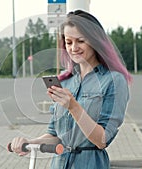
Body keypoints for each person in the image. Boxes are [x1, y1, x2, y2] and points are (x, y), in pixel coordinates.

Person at [10, 9, 132, 169]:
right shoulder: (65, 81)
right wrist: (30, 143)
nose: (74, 48)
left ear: (95, 41)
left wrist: (73, 106)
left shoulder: (114, 81)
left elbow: (102, 140)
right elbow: (55, 135)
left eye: (80, 41)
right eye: (69, 42)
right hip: (59, 164)